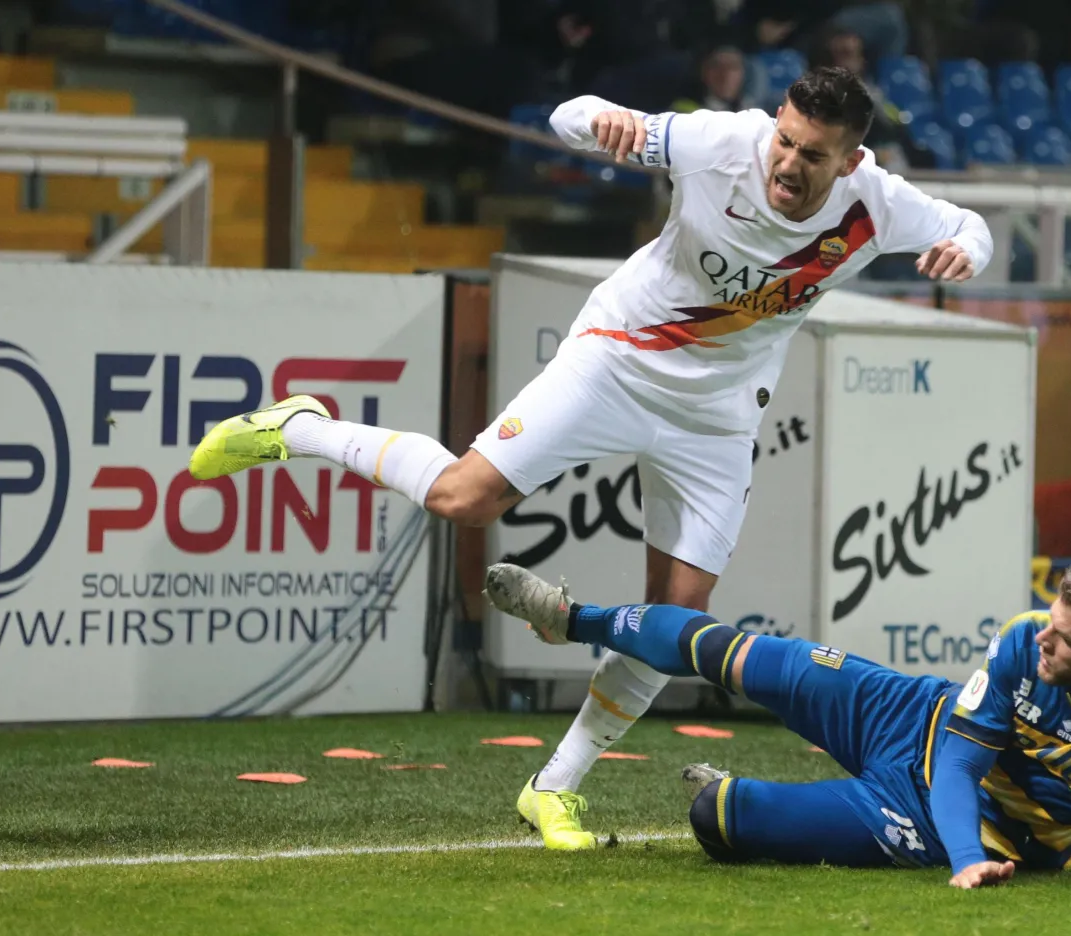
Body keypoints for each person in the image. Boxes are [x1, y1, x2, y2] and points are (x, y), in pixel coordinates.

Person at [187, 66, 993, 851]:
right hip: (615, 362)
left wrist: (968, 253)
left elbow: (971, 227)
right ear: (772, 124)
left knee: (676, 627)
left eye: (813, 155)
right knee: (463, 497)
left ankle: (553, 786)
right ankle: (302, 428)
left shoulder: (876, 203)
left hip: (715, 419)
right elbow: (567, 117)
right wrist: (602, 119)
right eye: (785, 141)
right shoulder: (717, 144)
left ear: (849, 161)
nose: (788, 163)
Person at [483, 558, 1071, 887]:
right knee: (745, 656)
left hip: (977, 829)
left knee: (720, 818)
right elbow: (959, 760)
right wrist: (960, 861)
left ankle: (741, 796)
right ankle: (571, 616)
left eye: (1067, 641)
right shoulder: (1025, 637)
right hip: (914, 721)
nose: (1043, 640)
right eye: (1049, 625)